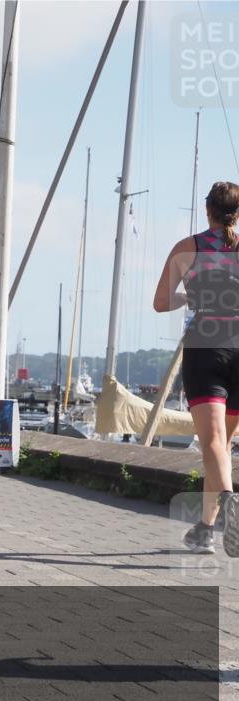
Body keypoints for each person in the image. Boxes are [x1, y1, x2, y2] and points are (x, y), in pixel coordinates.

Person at [153, 181, 239, 555]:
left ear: (207, 210)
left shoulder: (188, 247)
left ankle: (230, 507)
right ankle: (205, 528)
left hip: (207, 345)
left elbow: (161, 303)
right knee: (221, 447)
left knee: (214, 444)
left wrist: (192, 294)